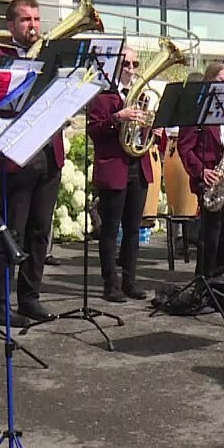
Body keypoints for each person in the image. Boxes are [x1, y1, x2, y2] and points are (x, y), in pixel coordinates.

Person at [0, 0, 62, 327]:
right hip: (15, 157)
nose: (33, 25)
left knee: (40, 230)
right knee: (10, 230)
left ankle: (30, 297)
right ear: (11, 25)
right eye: (26, 20)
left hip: (48, 152)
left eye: (37, 19)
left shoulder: (52, 58)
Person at [87, 46, 154, 302]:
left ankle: (130, 280)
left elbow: (143, 133)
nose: (132, 70)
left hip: (138, 164)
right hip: (114, 166)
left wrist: (151, 130)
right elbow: (94, 130)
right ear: (116, 66)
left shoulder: (142, 97)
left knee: (133, 228)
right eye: (127, 64)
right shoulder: (102, 95)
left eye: (135, 65)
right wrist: (118, 116)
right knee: (110, 228)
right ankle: (110, 284)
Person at [177, 61, 224, 279]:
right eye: (221, 81)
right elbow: (185, 147)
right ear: (209, 81)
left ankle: (217, 277)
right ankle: (204, 279)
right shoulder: (196, 109)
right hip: (209, 177)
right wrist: (201, 172)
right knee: (211, 233)